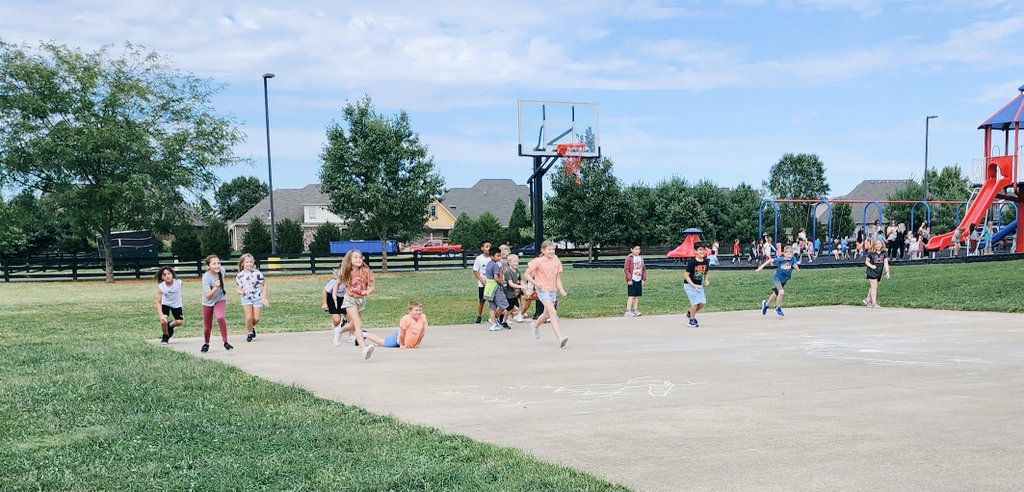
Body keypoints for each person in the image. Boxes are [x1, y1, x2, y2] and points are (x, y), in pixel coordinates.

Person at [524, 240, 569, 348]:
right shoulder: (538, 261)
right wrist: (536, 283)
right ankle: (560, 338)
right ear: (543, 250)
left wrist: (561, 290)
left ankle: (534, 326)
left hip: (553, 291)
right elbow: (526, 274)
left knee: (546, 314)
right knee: (553, 313)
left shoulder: (556, 261)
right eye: (549, 249)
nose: (552, 251)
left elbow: (557, 278)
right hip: (543, 291)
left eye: (553, 249)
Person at [335, 249, 376, 360]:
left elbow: (372, 286)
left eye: (360, 257)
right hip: (350, 300)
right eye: (356, 257)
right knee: (358, 324)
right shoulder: (347, 272)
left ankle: (339, 331)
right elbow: (338, 282)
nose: (359, 259)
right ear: (350, 260)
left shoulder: (365, 271)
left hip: (361, 300)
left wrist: (367, 291)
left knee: (353, 324)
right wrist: (334, 295)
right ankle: (364, 350)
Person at [358, 300, 428, 349]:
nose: (419, 312)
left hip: (408, 340)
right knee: (380, 342)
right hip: (399, 339)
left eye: (420, 310)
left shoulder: (422, 318)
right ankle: (363, 334)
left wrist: (418, 344)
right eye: (416, 310)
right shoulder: (406, 319)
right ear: (410, 311)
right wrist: (402, 344)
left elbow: (422, 332)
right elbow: (402, 333)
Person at [756, 244, 799, 318]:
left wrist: (795, 268)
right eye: (788, 254)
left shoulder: (793, 259)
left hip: (784, 280)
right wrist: (761, 267)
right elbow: (770, 260)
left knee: (775, 294)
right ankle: (778, 308)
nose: (790, 256)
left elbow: (797, 270)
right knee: (781, 292)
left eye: (791, 254)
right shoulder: (781, 259)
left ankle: (766, 304)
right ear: (784, 253)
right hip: (777, 279)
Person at [200, 254, 232, 353]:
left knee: (220, 317)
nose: (217, 265)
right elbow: (208, 296)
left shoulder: (222, 270)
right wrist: (216, 287)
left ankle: (225, 341)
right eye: (214, 264)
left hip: (220, 299)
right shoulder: (206, 277)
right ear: (208, 266)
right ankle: (206, 343)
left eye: (218, 263)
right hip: (208, 302)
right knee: (207, 325)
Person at [235, 253, 268, 343]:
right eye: (247, 262)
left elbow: (264, 284)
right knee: (249, 317)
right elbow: (238, 289)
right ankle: (249, 333)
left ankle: (251, 326)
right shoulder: (240, 276)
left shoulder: (257, 273)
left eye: (251, 262)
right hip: (246, 299)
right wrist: (241, 292)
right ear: (242, 264)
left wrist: (264, 298)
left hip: (257, 298)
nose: (249, 264)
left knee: (256, 318)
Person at [683, 242, 711, 327]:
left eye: (703, 249)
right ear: (695, 251)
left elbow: (706, 273)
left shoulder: (706, 262)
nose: (702, 251)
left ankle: (690, 313)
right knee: (695, 302)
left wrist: (706, 280)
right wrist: (693, 285)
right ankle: (692, 320)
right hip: (689, 285)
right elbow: (686, 276)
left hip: (698, 285)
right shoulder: (692, 262)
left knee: (702, 302)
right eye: (700, 250)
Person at [155, 266, 183, 344]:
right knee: (163, 320)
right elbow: (158, 302)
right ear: (162, 277)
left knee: (179, 322)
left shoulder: (179, 282)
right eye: (165, 274)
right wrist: (161, 315)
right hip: (166, 303)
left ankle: (170, 325)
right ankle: (165, 336)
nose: (167, 276)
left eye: (169, 273)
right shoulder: (161, 287)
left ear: (172, 275)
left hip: (176, 304)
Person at [484, 248, 509, 331]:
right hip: (495, 287)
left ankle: (493, 324)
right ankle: (495, 320)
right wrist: (502, 283)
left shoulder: (488, 264)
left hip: (488, 287)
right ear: (492, 256)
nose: (499, 257)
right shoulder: (495, 265)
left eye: (500, 255)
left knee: (492, 307)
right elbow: (496, 277)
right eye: (498, 256)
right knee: (503, 305)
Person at [325, 269, 352, 346]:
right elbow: (325, 291)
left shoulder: (349, 280)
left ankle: (351, 336)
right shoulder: (334, 281)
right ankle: (335, 327)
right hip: (332, 299)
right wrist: (324, 303)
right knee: (337, 320)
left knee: (350, 317)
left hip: (344, 299)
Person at [863, 238, 891, 308]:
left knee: (873, 287)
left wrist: (887, 272)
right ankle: (874, 303)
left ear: (882, 244)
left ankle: (867, 299)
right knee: (874, 287)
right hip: (871, 271)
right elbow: (866, 262)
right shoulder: (871, 253)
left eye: (879, 244)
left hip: (879, 272)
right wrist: (872, 266)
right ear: (874, 245)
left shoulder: (884, 253)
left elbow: (886, 263)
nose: (878, 245)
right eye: (876, 244)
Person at [471, 240, 492, 324]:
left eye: (490, 247)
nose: (488, 248)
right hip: (482, 284)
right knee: (482, 300)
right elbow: (475, 271)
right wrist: (482, 281)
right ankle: (479, 316)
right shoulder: (479, 258)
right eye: (486, 247)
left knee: (492, 301)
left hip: (491, 283)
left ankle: (493, 316)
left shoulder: (492, 258)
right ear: (482, 248)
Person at [623, 244, 646, 317]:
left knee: (637, 296)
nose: (638, 251)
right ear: (632, 250)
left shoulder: (641, 258)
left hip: (639, 279)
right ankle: (628, 311)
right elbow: (626, 269)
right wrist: (629, 279)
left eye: (639, 249)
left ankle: (635, 310)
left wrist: (643, 278)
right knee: (631, 295)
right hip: (632, 279)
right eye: (636, 249)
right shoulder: (629, 258)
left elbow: (644, 269)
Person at [503, 254, 526, 323]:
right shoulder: (507, 271)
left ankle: (506, 319)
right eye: (514, 262)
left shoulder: (517, 271)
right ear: (509, 263)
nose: (516, 263)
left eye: (517, 262)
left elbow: (520, 280)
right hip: (507, 292)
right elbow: (511, 284)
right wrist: (521, 287)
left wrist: (525, 286)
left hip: (513, 293)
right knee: (508, 307)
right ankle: (502, 319)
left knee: (511, 307)